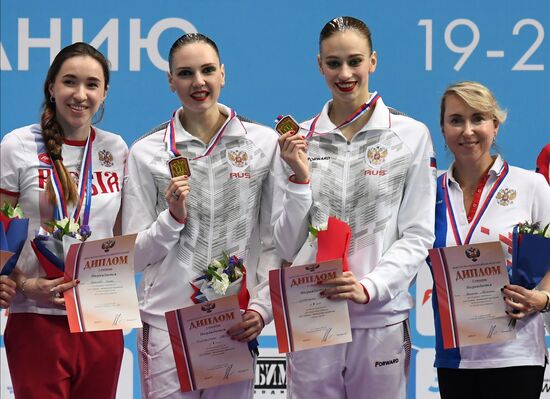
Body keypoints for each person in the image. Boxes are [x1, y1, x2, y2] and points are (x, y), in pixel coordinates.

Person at [272, 16, 436, 399]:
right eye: (333, 63)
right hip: (312, 312)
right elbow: (284, 244)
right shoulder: (299, 141)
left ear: (373, 62)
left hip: (380, 318)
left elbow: (417, 233)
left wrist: (370, 287)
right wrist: (299, 179)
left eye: (354, 61)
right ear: (319, 65)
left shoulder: (409, 135)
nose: (344, 73)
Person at [122, 33, 280, 399]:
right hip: (167, 324)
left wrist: (263, 307)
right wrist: (172, 219)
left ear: (223, 74)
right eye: (186, 73)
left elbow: (274, 239)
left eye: (208, 70)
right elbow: (133, 257)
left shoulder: (262, 143)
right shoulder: (147, 152)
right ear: (170, 81)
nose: (199, 82)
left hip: (235, 322)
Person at [0, 42, 127, 399]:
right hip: (36, 317)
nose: (80, 94)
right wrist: (23, 284)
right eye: (70, 82)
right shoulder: (18, 145)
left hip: (100, 317)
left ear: (104, 92)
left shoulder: (116, 149)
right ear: (51, 86)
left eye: (92, 84)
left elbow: (122, 235)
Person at [431, 81, 550, 399]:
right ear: (442, 129)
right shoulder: (429, 193)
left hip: (517, 354)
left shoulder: (530, 185)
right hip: (455, 358)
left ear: (495, 126)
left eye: (478, 118)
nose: (467, 130)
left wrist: (544, 298)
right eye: (456, 120)